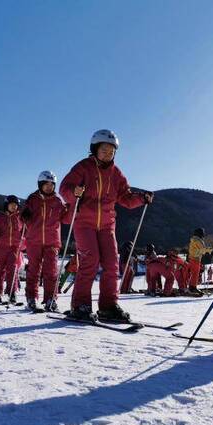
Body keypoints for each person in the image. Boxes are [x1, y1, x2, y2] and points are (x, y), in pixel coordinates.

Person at [59, 129, 153, 320]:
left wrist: (141, 199)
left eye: (111, 151)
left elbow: (125, 197)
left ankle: (108, 306)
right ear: (95, 149)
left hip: (107, 225)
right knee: (90, 260)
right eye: (104, 150)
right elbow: (64, 188)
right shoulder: (83, 167)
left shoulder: (116, 173)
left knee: (111, 264)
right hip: (84, 222)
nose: (108, 154)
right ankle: (81, 306)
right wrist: (74, 192)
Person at [21, 171, 68, 312]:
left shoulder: (58, 201)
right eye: (46, 184)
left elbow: (65, 218)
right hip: (34, 240)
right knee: (33, 271)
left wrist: (71, 209)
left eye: (51, 184)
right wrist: (24, 215)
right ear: (40, 185)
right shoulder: (32, 199)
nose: (49, 187)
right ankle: (31, 298)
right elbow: (23, 218)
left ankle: (50, 299)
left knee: (51, 272)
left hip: (52, 241)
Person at [0, 195, 26, 304]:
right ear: (6, 205)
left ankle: (12, 293)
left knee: (13, 269)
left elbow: (26, 229)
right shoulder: (0, 218)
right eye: (11, 205)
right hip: (1, 246)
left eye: (15, 205)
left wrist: (24, 239)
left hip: (14, 247)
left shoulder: (20, 218)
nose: (14, 207)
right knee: (0, 270)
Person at [186, 228, 213, 295]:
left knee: (194, 274)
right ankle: (192, 288)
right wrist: (210, 250)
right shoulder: (198, 241)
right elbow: (202, 249)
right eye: (203, 233)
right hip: (195, 259)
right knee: (195, 274)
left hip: (193, 258)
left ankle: (192, 287)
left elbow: (200, 250)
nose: (203, 235)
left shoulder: (194, 240)